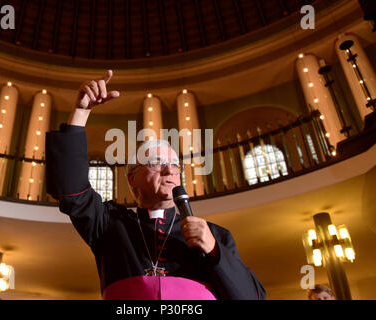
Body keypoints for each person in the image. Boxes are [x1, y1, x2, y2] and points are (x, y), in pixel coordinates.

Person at [45, 70, 266, 300]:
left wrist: (214, 251)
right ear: (132, 178)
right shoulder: (110, 226)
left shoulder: (216, 236)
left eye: (174, 165)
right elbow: (71, 191)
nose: (169, 170)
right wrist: (81, 112)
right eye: (156, 163)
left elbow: (253, 298)